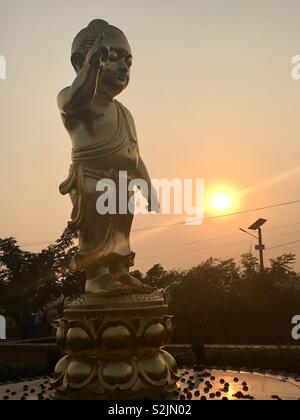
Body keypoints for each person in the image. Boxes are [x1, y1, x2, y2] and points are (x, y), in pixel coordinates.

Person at [58, 20, 159, 296]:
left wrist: (148, 185)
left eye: (128, 61)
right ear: (81, 61)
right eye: (111, 57)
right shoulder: (72, 99)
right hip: (92, 179)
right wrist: (92, 67)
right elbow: (74, 102)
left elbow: (135, 154)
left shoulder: (124, 112)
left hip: (123, 183)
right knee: (97, 229)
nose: (124, 67)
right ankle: (97, 276)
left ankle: (120, 270)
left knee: (120, 231)